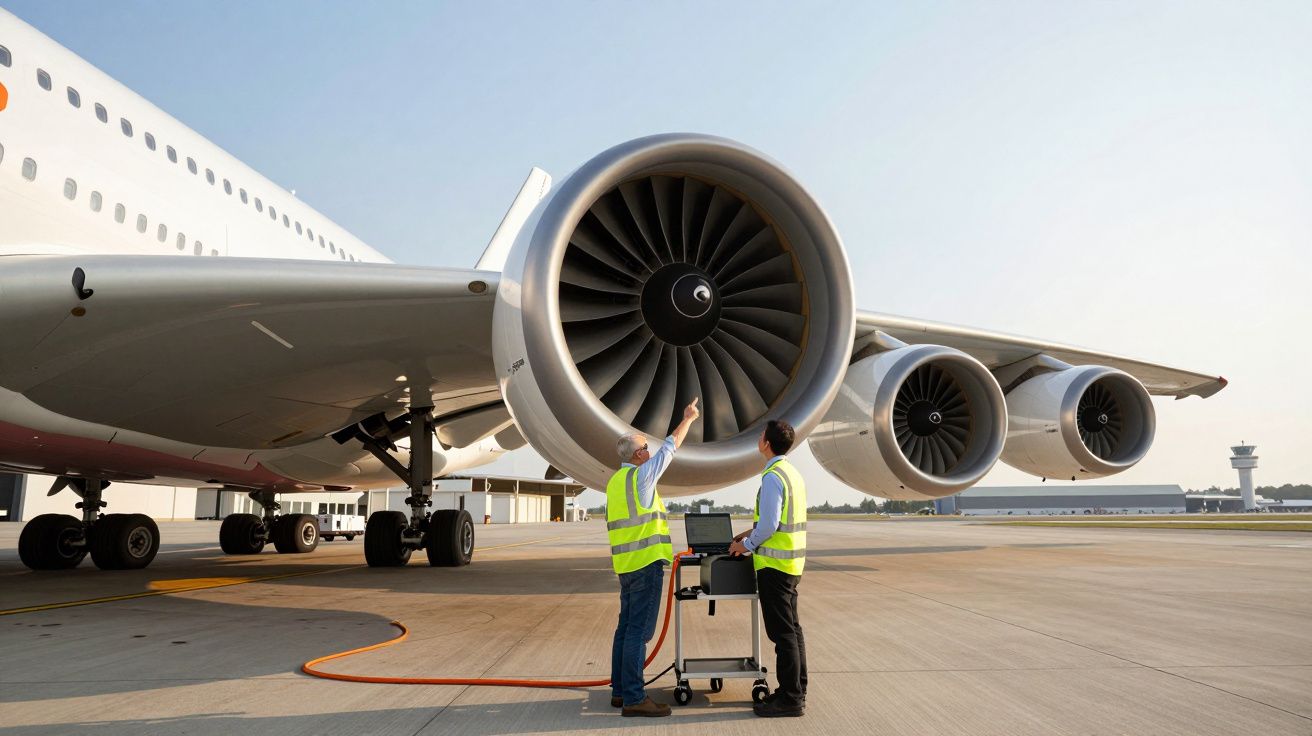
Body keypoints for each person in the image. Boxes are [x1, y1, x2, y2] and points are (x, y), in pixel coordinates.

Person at [608, 398, 700, 717]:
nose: (650, 450)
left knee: (625, 628)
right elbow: (671, 448)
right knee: (638, 632)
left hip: (625, 567)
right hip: (645, 566)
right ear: (638, 455)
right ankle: (634, 698)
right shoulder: (642, 476)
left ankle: (619, 692)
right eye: (646, 447)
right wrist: (687, 418)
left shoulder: (616, 482)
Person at [729, 419, 808, 718]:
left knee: (782, 635)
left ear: (766, 443)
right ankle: (796, 689)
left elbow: (772, 524)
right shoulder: (792, 474)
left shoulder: (773, 476)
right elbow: (779, 521)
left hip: (774, 566)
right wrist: (749, 532)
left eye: (761, 435)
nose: (759, 439)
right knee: (794, 631)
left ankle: (790, 700)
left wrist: (745, 547)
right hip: (791, 563)